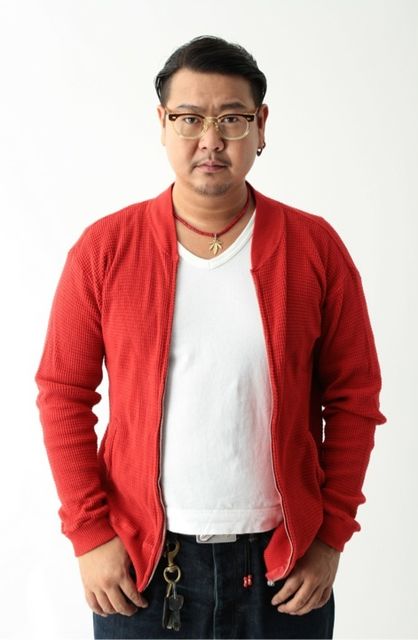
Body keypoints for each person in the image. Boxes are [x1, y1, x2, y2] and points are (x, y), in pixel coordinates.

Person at [35, 35, 387, 639]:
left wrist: (330, 536)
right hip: (143, 570)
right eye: (189, 118)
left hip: (284, 568)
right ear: (163, 123)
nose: (211, 139)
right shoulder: (105, 250)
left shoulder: (314, 249)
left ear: (261, 125)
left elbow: (354, 397)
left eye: (231, 118)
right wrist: (90, 535)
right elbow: (62, 393)